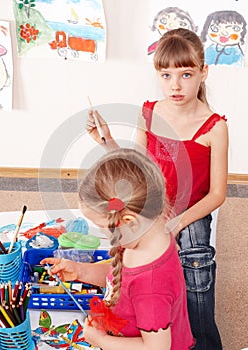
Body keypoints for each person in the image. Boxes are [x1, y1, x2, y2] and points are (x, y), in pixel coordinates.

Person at [85, 28, 228, 350]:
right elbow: (138, 171)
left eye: (186, 74)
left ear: (204, 73)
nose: (175, 85)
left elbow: (217, 194)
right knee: (129, 252)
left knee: (195, 278)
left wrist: (175, 224)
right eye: (166, 75)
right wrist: (107, 141)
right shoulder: (148, 112)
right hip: (152, 206)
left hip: (191, 213)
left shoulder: (215, 126)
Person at [41, 148, 195, 350]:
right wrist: (81, 271)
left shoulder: (150, 285)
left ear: (128, 220)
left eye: (104, 227)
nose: (104, 235)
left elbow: (156, 347)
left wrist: (101, 341)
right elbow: (121, 278)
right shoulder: (147, 237)